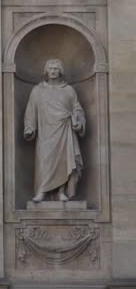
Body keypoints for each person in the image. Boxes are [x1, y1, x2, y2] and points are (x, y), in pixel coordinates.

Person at [24, 59, 86, 202]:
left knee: (64, 161)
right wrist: (29, 127)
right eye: (50, 68)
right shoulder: (37, 90)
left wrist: (78, 122)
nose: (53, 71)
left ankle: (61, 192)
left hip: (64, 130)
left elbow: (77, 109)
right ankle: (42, 191)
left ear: (60, 71)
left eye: (56, 68)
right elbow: (31, 111)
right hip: (45, 132)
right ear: (46, 71)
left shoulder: (68, 90)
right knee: (45, 160)